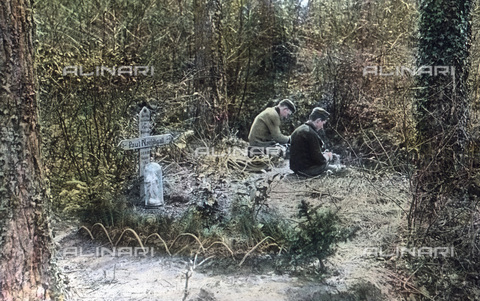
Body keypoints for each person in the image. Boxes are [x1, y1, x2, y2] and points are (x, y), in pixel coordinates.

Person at [289, 107, 333, 177]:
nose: (322, 127)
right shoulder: (310, 133)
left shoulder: (298, 130)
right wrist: (327, 156)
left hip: (296, 169)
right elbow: (319, 160)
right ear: (318, 121)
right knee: (338, 169)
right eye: (323, 124)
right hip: (307, 170)